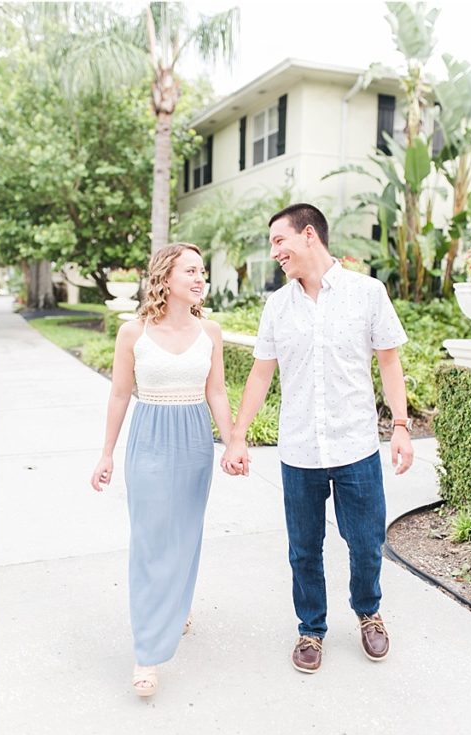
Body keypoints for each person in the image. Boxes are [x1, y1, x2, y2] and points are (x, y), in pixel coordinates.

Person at [221, 203, 413, 674]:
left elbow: (389, 361)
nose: (275, 252)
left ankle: (368, 612)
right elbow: (261, 375)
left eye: (279, 241)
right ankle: (311, 628)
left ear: (309, 235)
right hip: (300, 449)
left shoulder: (368, 293)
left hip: (357, 447)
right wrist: (238, 436)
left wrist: (402, 427)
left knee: (366, 542)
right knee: (304, 549)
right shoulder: (276, 306)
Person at [90, 243, 235, 697]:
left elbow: (217, 393)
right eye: (191, 270)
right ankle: (147, 652)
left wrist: (234, 442)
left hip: (194, 442)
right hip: (149, 439)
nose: (199, 279)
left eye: (202, 272)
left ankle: (176, 607)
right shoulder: (133, 333)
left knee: (186, 533)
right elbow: (118, 395)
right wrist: (107, 453)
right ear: (165, 276)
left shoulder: (210, 331)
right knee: (152, 540)